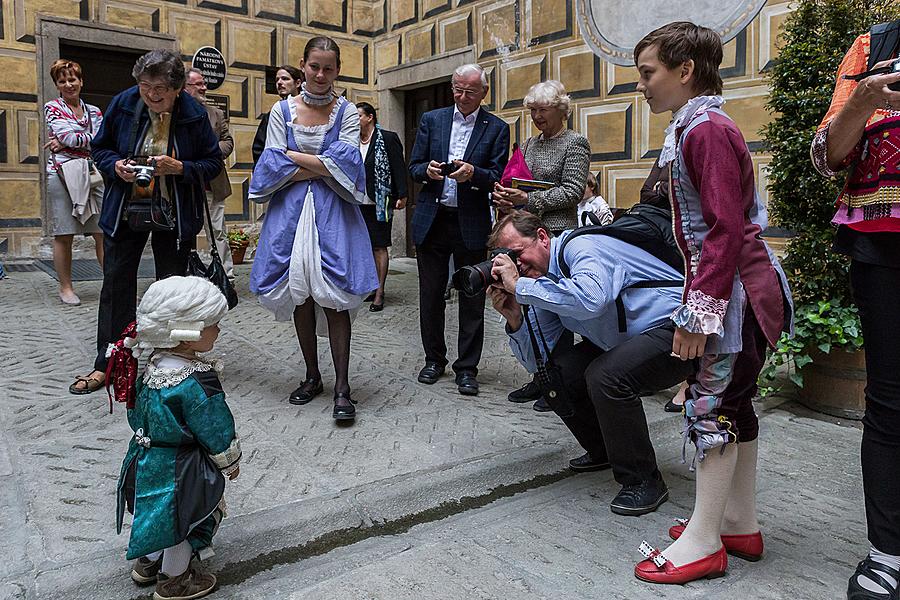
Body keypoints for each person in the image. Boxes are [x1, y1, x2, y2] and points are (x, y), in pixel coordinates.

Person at [631, 22, 792, 585]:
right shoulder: (699, 126)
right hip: (740, 289)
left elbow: (724, 230)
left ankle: (704, 542)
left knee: (710, 407)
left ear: (685, 70)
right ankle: (736, 522)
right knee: (736, 405)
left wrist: (700, 315)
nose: (642, 86)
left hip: (735, 295)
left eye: (648, 73)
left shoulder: (705, 130)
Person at [488, 211, 694, 508]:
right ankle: (605, 450)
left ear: (543, 238)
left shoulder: (582, 248)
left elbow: (592, 299)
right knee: (558, 376)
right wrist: (516, 319)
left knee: (606, 375)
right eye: (507, 258)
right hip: (625, 340)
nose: (516, 265)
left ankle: (643, 481)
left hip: (677, 329)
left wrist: (521, 287)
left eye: (517, 254)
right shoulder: (542, 280)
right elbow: (538, 363)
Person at [67, 48, 222, 396]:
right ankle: (107, 364)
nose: (152, 94)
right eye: (145, 86)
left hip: (175, 212)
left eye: (160, 89)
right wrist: (114, 166)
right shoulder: (123, 103)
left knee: (171, 290)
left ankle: (170, 361)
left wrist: (180, 168)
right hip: (127, 210)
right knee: (116, 285)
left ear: (177, 88)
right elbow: (100, 148)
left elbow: (212, 163)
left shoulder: (195, 114)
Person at [810, 19, 900, 600]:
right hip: (886, 246)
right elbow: (828, 154)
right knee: (891, 401)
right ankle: (889, 550)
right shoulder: (876, 44)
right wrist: (863, 99)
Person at [249, 36, 377, 422]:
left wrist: (293, 159)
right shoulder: (280, 110)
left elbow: (349, 161)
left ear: (338, 70)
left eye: (330, 68)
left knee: (335, 296)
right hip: (289, 216)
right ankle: (311, 375)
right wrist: (322, 163)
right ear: (303, 65)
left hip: (334, 215)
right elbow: (270, 165)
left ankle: (342, 386)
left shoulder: (349, 112)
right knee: (299, 295)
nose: (321, 74)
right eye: (314, 66)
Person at [110, 276, 240, 600]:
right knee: (182, 520)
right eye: (213, 324)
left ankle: (147, 564)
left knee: (153, 512)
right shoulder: (194, 382)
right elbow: (215, 426)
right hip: (181, 467)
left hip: (145, 458)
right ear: (186, 334)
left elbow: (135, 414)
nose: (219, 330)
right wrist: (229, 460)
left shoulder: (151, 368)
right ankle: (175, 580)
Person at [408, 63, 510, 396]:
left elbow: (497, 174)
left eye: (469, 91)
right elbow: (414, 166)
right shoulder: (432, 119)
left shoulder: (496, 127)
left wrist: (473, 174)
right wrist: (429, 170)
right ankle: (433, 359)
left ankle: (467, 368)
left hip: (471, 222)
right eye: (457, 89)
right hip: (432, 221)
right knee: (431, 296)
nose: (462, 96)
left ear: (484, 92)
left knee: (472, 299)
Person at [43, 59, 104, 306]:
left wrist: (68, 141)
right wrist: (75, 139)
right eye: (62, 80)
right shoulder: (52, 107)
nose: (69, 84)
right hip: (62, 174)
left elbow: (100, 140)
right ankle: (65, 287)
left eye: (73, 79)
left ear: (81, 81)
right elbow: (70, 135)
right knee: (64, 233)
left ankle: (113, 284)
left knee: (103, 233)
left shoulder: (95, 111)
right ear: (57, 85)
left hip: (92, 175)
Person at [492, 80, 590, 233]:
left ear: (561, 110)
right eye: (533, 109)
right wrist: (505, 196)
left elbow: (573, 192)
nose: (536, 116)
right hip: (524, 229)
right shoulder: (527, 144)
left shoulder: (575, 142)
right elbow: (515, 182)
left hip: (557, 231)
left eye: (543, 110)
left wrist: (527, 198)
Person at [356, 102, 408, 312]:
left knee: (379, 245)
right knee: (363, 247)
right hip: (356, 201)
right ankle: (370, 286)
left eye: (358, 115)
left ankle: (380, 291)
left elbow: (398, 166)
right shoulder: (352, 139)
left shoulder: (387, 138)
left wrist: (402, 194)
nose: (355, 119)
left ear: (370, 117)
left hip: (380, 201)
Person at [185, 68, 235, 280]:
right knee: (185, 233)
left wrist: (210, 153)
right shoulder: (176, 111)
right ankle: (186, 274)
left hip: (212, 183)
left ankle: (226, 276)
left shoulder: (216, 113)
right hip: (185, 184)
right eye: (198, 84)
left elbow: (228, 141)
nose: (204, 87)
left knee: (217, 231)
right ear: (185, 87)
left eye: (204, 83)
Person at [252, 65, 303, 166]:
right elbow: (259, 148)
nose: (279, 82)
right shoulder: (271, 114)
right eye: (277, 80)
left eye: (285, 79)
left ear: (297, 83)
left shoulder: (309, 110)